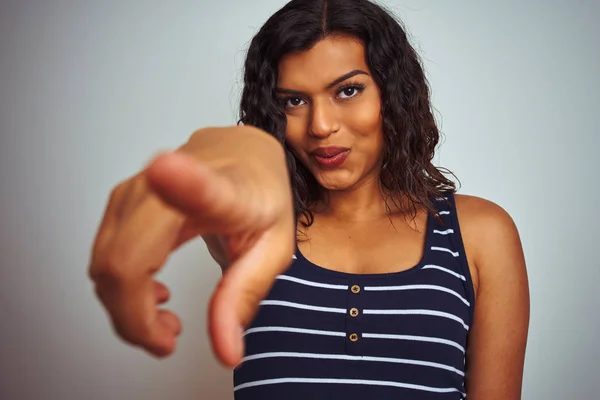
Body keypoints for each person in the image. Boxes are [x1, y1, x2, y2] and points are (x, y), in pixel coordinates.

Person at [88, 0, 530, 398]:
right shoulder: (260, 232)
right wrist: (243, 152)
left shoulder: (477, 234)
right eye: (294, 101)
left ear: (393, 95)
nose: (320, 125)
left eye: (348, 90)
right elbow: (225, 167)